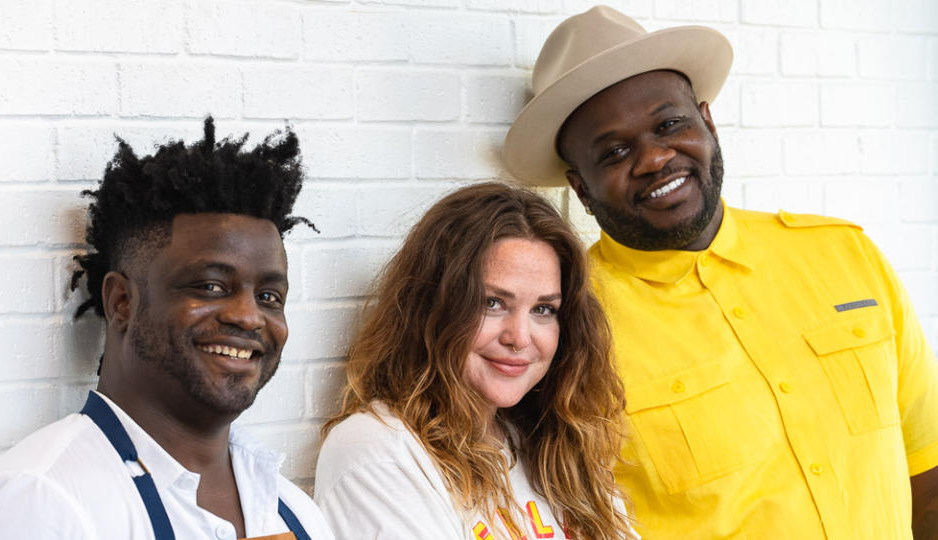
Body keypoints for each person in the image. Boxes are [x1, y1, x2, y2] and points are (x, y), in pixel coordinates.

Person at [502, 5, 938, 539]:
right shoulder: (565, 325)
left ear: (707, 121)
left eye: (669, 124)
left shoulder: (846, 255)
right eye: (614, 151)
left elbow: (926, 463)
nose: (655, 158)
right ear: (582, 189)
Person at [0, 118, 335, 540]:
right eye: (211, 286)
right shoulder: (46, 502)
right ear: (121, 302)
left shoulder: (290, 508)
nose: (249, 316)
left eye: (269, 297)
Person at [313, 182, 636, 539]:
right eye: (492, 303)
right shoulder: (377, 449)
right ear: (433, 307)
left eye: (543, 309)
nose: (520, 337)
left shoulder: (551, 446)